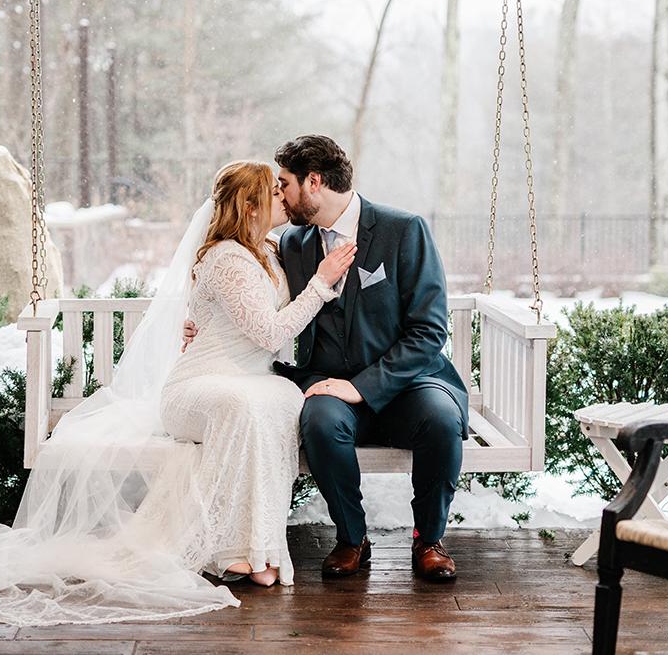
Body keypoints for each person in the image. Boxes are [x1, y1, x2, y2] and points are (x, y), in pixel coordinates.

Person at [0, 160, 355, 626]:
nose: (283, 197)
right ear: (250, 207)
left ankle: (261, 547)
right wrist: (321, 284)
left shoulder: (268, 249)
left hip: (249, 380)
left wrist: (202, 323)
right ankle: (233, 551)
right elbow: (269, 332)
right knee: (245, 406)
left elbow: (234, 320)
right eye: (274, 192)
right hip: (199, 385)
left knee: (278, 401)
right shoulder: (227, 257)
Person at [185, 135, 468, 581]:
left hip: (409, 382)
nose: (280, 194)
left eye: (285, 183)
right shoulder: (290, 243)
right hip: (327, 381)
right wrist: (202, 324)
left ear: (313, 182)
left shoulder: (403, 229)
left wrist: (362, 387)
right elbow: (247, 293)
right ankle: (352, 538)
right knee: (318, 421)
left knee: (440, 420)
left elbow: (429, 331)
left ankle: (429, 539)